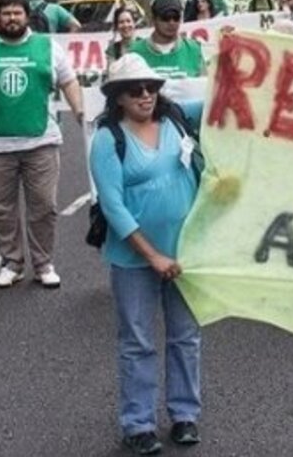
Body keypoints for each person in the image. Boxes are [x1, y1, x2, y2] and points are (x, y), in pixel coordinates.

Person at [89, 53, 204, 454]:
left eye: (151, 87)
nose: (145, 95)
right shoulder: (108, 138)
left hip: (186, 256)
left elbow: (228, 100)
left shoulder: (177, 118)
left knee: (185, 337)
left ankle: (184, 415)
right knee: (137, 342)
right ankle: (137, 423)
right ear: (117, 97)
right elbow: (113, 207)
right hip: (134, 260)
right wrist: (152, 255)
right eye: (134, 89)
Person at [0, 0, 84, 288]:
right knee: (0, 209)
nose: (12, 18)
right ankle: (11, 262)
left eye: (17, 13)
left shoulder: (48, 47)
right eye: (6, 13)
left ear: (27, 16)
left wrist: (81, 110)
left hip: (41, 142)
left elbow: (69, 80)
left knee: (43, 205)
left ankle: (43, 264)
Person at [129, 0, 205, 79]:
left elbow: (205, 87)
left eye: (176, 17)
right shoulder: (135, 52)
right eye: (166, 17)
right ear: (153, 20)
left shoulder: (193, 50)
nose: (171, 23)